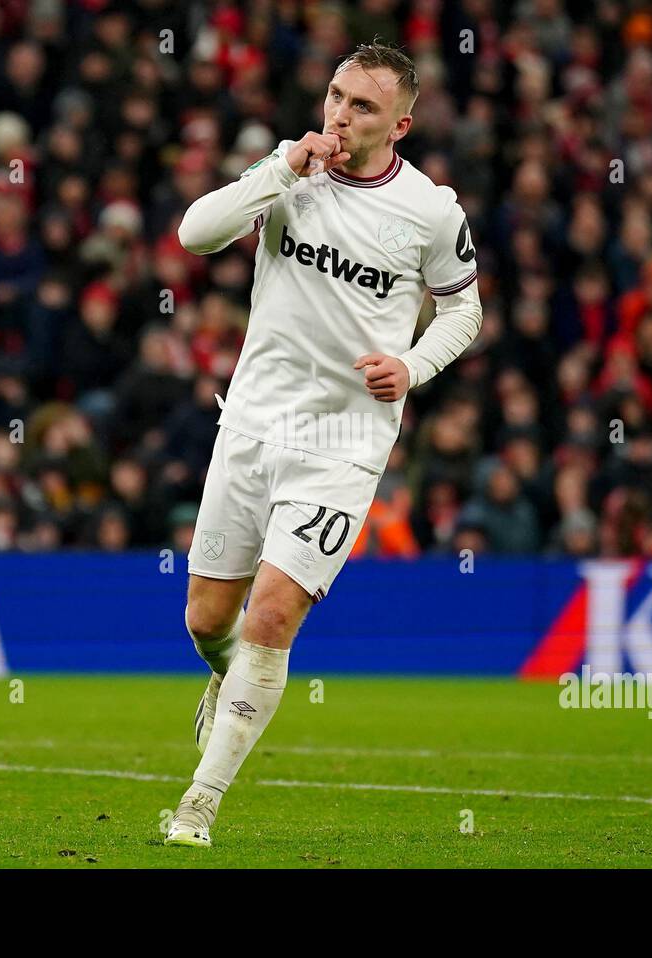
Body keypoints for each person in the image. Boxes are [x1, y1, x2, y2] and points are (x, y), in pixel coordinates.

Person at [164, 41, 483, 846]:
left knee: (271, 617)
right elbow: (195, 235)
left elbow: (463, 312)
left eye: (363, 106)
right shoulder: (288, 173)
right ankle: (221, 672)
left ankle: (197, 807)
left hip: (342, 443)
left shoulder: (430, 211)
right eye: (337, 96)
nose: (341, 114)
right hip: (252, 424)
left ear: (400, 125)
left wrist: (413, 366)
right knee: (209, 619)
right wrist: (281, 170)